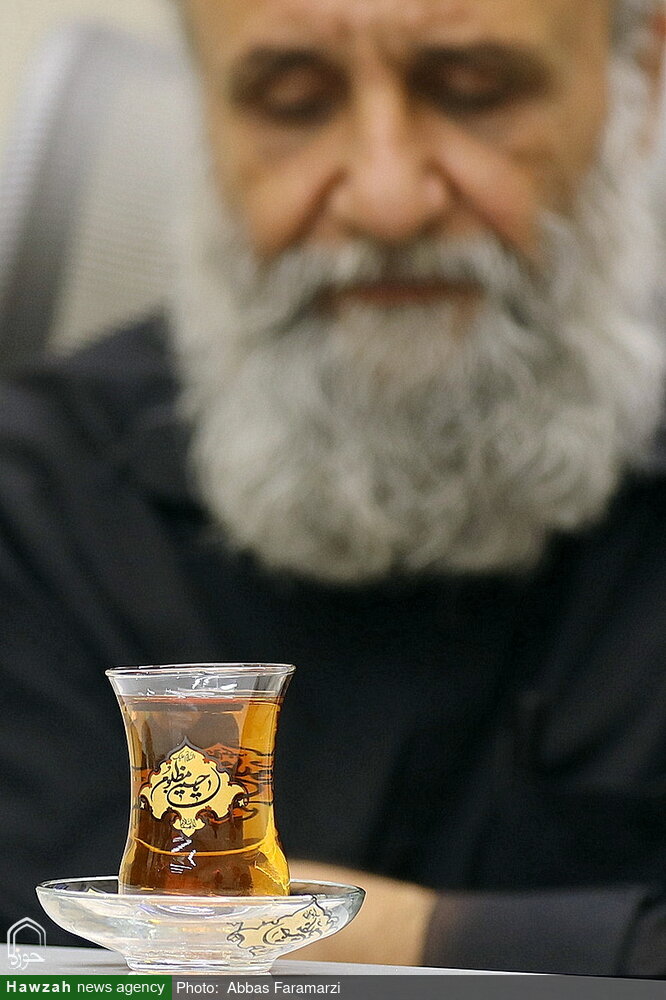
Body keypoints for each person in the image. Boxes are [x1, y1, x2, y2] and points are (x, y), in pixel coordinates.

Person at [1, 0, 666, 976]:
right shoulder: (36, 517)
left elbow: (175, 957)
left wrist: (406, 942)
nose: (387, 200)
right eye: (293, 101)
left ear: (639, 78)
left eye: (473, 91)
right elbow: (57, 974)